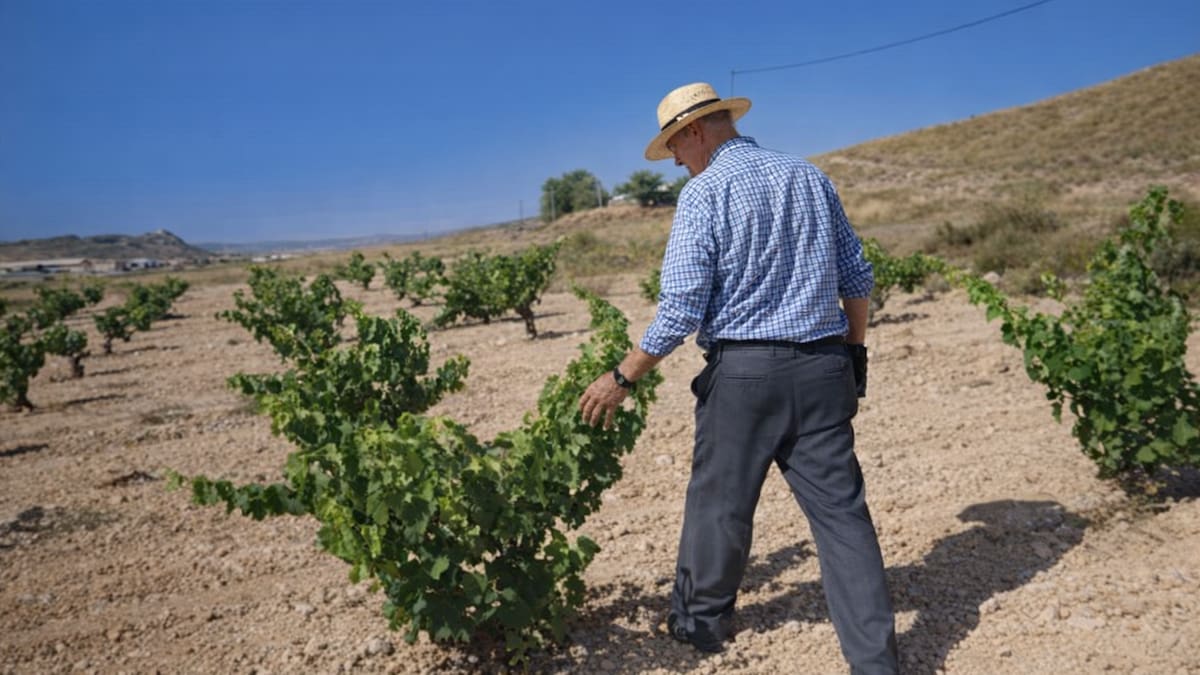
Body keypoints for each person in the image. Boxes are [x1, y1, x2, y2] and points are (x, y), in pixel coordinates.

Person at [579, 82, 899, 673]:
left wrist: (621, 377)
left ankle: (700, 624)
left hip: (746, 378)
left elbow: (681, 308)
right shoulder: (808, 176)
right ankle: (876, 663)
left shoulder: (704, 193)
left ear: (695, 131)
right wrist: (854, 352)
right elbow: (857, 275)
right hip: (825, 366)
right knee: (843, 518)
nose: (676, 162)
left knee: (720, 503)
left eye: (675, 147)